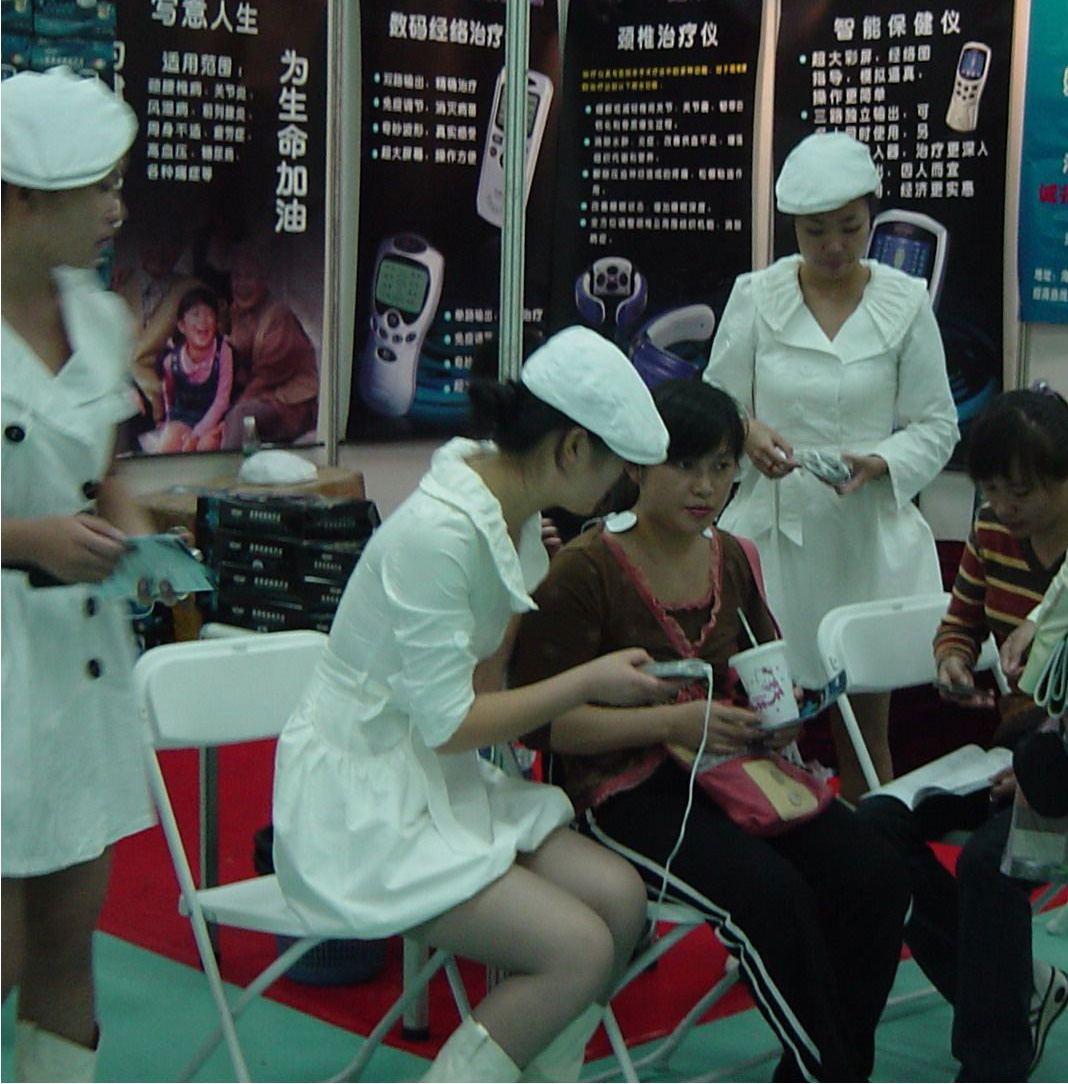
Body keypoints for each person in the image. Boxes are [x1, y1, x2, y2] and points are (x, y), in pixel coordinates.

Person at [272, 326, 678, 1083]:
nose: (622, 488)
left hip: (435, 776)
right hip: (362, 802)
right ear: (572, 449)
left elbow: (485, 695)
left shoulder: (510, 518)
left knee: (621, 901)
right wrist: (585, 682)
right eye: (620, 467)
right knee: (577, 948)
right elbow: (454, 724)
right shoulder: (439, 534)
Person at [510, 378, 911, 1083]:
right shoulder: (585, 570)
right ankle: (833, 1072)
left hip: (734, 770)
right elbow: (542, 726)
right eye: (684, 465)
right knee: (771, 898)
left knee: (875, 873)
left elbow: (760, 668)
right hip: (625, 791)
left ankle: (823, 1071)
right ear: (636, 466)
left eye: (722, 466)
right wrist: (672, 720)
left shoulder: (733, 556)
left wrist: (779, 714)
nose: (704, 486)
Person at [704, 131, 959, 801]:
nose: (835, 246)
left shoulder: (904, 301)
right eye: (816, 231)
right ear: (793, 227)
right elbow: (714, 405)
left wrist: (882, 460)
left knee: (864, 736)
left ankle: (875, 843)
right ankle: (774, 842)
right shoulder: (756, 296)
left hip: (863, 541)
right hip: (772, 537)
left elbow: (938, 424)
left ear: (872, 214)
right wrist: (747, 432)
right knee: (761, 722)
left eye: (850, 227)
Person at [1, 67, 160, 1082]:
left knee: (67, 934)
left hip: (77, 658)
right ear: (22, 197)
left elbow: (109, 475)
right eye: (97, 187)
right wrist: (24, 539)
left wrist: (137, 541)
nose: (116, 208)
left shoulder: (99, 318)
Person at [855, 388, 1068, 1081]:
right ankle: (1015, 994)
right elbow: (961, 623)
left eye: (1021, 491)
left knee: (989, 862)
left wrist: (1042, 766)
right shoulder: (992, 534)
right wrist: (951, 660)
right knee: (875, 829)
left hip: (1055, 759)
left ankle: (992, 1062)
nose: (1004, 506)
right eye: (992, 490)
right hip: (1019, 748)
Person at [219, 242, 318, 449]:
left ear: (265, 280)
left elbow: (265, 377)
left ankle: (227, 467)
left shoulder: (279, 316)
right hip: (254, 393)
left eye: (249, 277)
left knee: (241, 415)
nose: (241, 285)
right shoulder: (235, 312)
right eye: (237, 277)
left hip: (287, 403)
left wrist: (230, 410)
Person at [138, 285, 233, 453]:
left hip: (213, 419)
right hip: (183, 419)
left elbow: (222, 401)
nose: (203, 321)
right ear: (182, 326)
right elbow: (169, 396)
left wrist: (196, 435)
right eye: (195, 315)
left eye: (209, 315)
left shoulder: (223, 351)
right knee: (169, 445)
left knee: (207, 445)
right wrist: (168, 423)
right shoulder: (171, 360)